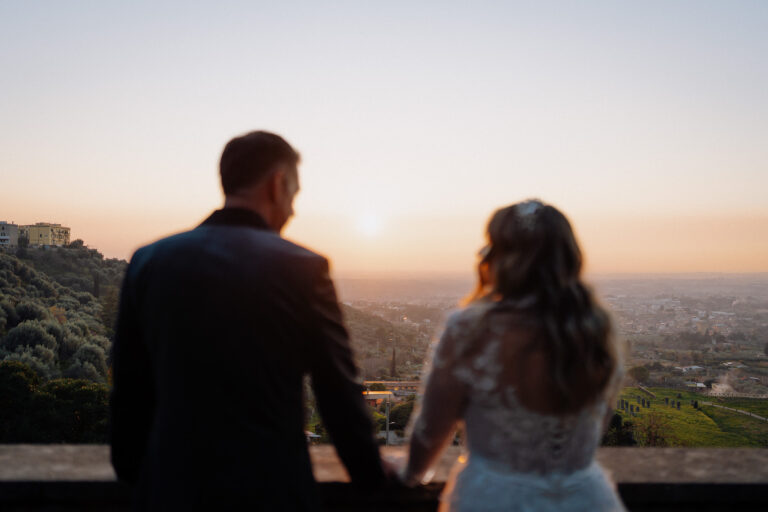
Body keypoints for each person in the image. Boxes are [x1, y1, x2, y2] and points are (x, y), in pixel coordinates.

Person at [110, 131, 387, 510]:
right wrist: (371, 474)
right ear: (278, 184)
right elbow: (337, 390)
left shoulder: (149, 260)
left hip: (169, 488)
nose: (293, 210)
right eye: (294, 194)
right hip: (271, 490)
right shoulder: (304, 268)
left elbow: (130, 387)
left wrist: (134, 473)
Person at [402, 200, 626, 511]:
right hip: (584, 498)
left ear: (499, 257)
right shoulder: (596, 328)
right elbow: (595, 428)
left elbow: (431, 432)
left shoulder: (470, 328)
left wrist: (410, 474)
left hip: (493, 499)